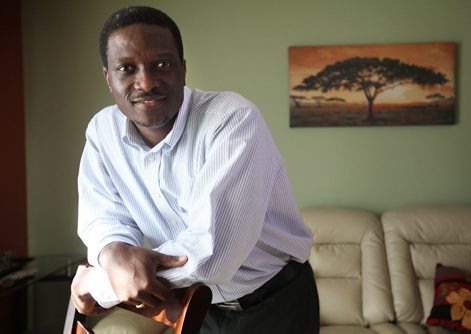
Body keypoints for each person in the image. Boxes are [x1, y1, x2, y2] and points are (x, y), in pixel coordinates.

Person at [71, 5, 319, 333]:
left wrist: (100, 283)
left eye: (161, 64)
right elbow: (104, 221)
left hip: (274, 302)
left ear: (183, 69)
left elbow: (209, 253)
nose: (145, 82)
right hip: (195, 306)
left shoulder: (233, 119)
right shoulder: (102, 132)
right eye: (127, 68)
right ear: (108, 77)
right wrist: (113, 253)